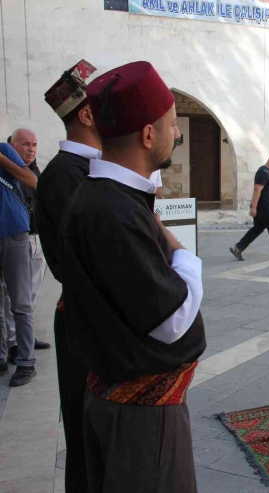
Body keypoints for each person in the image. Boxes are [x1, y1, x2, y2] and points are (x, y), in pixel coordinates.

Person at [60, 61, 206, 493]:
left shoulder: (106, 199)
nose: (176, 135)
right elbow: (171, 320)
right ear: (147, 135)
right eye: (172, 125)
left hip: (127, 408)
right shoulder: (114, 211)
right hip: (141, 420)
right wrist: (184, 256)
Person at [36, 59, 101, 493]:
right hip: (84, 320)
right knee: (84, 433)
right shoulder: (65, 175)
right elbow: (84, 260)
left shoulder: (86, 170)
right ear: (86, 114)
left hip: (93, 317)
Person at [2, 128, 51, 360]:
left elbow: (40, 193)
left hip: (29, 237)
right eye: (25, 144)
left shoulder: (31, 170)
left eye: (34, 145)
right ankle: (12, 345)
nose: (31, 149)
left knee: (27, 295)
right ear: (12, 144)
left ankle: (24, 344)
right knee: (12, 297)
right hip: (17, 238)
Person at [0, 141, 39, 386]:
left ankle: (26, 362)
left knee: (20, 302)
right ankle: (1, 358)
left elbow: (31, 179)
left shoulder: (4, 150)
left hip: (13, 232)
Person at [229, 152, 269, 262]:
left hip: (266, 206)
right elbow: (257, 190)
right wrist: (253, 207)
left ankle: (238, 248)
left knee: (257, 229)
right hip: (266, 207)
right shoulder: (262, 172)